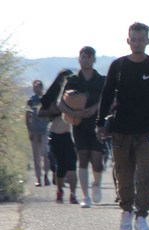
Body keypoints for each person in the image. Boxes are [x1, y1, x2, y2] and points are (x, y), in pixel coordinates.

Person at [96, 22, 149, 230]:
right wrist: (100, 123)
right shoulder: (118, 66)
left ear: (148, 41)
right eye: (133, 39)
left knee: (146, 172)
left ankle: (142, 216)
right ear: (128, 41)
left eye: (141, 39)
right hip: (121, 128)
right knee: (123, 172)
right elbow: (107, 95)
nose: (137, 43)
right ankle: (126, 210)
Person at [57, 46, 106, 207]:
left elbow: (109, 99)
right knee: (83, 157)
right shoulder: (72, 80)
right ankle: (85, 196)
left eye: (89, 57)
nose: (86, 59)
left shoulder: (101, 80)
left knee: (97, 159)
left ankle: (96, 183)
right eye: (83, 57)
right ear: (79, 59)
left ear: (94, 59)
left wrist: (95, 108)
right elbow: (61, 103)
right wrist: (75, 113)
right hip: (79, 124)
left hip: (98, 123)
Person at [39, 69, 79, 204]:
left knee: (72, 165)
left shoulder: (74, 95)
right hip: (56, 134)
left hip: (70, 134)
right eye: (65, 79)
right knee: (61, 166)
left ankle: (73, 194)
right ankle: (60, 191)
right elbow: (41, 112)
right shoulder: (52, 95)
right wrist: (52, 110)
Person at [25, 79, 51, 187]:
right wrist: (29, 130)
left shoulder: (45, 100)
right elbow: (27, 117)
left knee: (45, 154)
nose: (36, 89)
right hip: (34, 131)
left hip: (44, 130)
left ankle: (46, 175)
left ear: (41, 87)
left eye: (38, 86)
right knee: (35, 156)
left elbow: (50, 114)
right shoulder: (30, 101)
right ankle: (38, 178)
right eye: (35, 87)